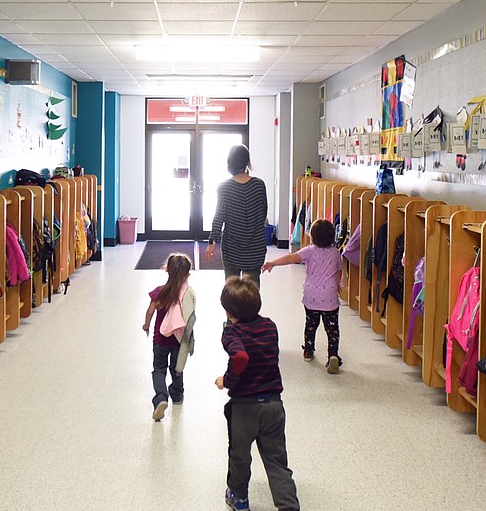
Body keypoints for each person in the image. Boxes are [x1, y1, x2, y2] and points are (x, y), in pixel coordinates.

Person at [214, 277, 308, 511]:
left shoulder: (231, 333)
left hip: (244, 408)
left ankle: (240, 499)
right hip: (273, 405)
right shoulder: (270, 327)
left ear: (228, 312)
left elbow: (241, 357)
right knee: (277, 463)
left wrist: (226, 380)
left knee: (240, 456)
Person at [262, 218, 344, 373]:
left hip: (311, 295)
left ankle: (308, 351)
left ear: (312, 237)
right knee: (332, 328)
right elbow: (339, 271)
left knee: (311, 325)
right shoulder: (335, 253)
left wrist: (273, 263)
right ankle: (333, 355)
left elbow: (291, 258)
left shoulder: (309, 251)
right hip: (330, 297)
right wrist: (339, 285)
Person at [205, 144, 268, 287]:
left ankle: (232, 310)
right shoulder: (259, 185)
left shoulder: (224, 187)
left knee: (231, 291)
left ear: (230, 162)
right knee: (251, 292)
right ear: (247, 162)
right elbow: (263, 213)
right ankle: (250, 310)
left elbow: (219, 215)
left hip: (231, 248)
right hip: (255, 248)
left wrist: (212, 241)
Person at [142, 253, 195, 421]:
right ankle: (177, 396)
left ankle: (161, 397)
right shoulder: (186, 295)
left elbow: (150, 312)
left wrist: (146, 325)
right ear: (187, 275)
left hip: (160, 340)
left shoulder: (160, 292)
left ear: (167, 270)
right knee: (176, 368)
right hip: (178, 340)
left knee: (159, 370)